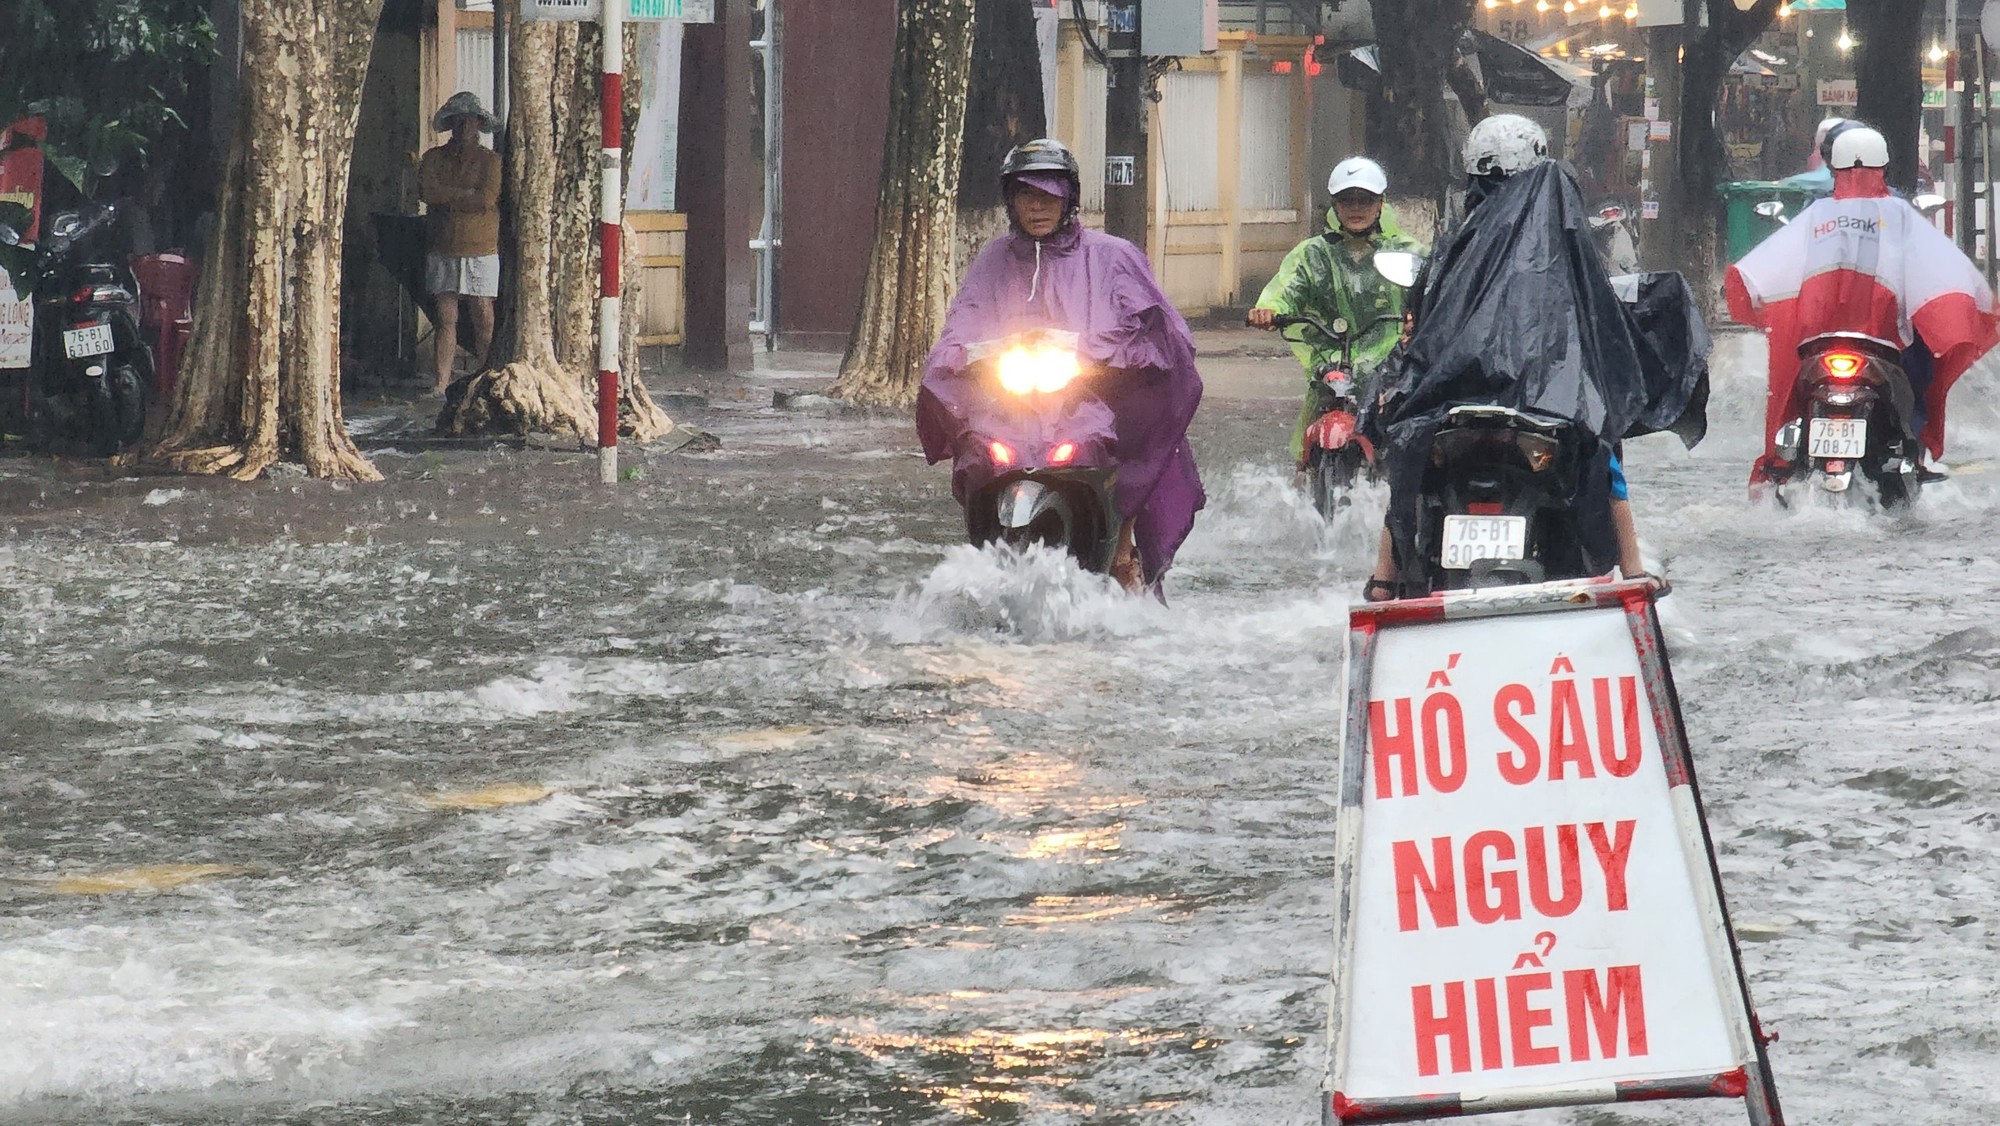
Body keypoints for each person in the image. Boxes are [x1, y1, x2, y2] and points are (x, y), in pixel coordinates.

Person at [1361, 114, 1708, 600]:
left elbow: (1425, 327)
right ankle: (1631, 570)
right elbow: (1594, 313)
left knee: (1408, 445)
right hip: (1547, 400)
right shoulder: (1561, 230)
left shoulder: (1460, 242)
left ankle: (1383, 579)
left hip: (1454, 396)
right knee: (1601, 439)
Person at [916, 138, 1205, 594]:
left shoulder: (1112, 256)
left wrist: (1089, 352)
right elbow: (962, 325)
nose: (1038, 207)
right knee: (978, 452)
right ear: (1011, 200)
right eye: (1027, 195)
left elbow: (1157, 333)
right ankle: (984, 550)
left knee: (1118, 453)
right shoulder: (994, 259)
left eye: (1049, 195)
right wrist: (963, 355)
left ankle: (1122, 549)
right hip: (1009, 406)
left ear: (1069, 198)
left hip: (1092, 402)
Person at [1729, 125, 2000, 489]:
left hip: (1818, 336)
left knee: (1789, 386)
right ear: (1884, 167)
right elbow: (1939, 271)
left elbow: (1770, 270)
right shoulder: (1899, 216)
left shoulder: (1816, 214)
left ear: (1833, 168)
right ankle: (1916, 451)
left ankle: (1785, 459)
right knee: (1921, 372)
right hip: (1881, 337)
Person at [1249, 156, 1425, 466]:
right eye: (1347, 199)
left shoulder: (1405, 251)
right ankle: (1309, 472)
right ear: (1335, 205)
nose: (1356, 207)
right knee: (1318, 414)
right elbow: (1287, 287)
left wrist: (1419, 319)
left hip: (1388, 364)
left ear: (1381, 204)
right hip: (1331, 361)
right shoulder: (1314, 254)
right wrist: (1268, 309)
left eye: (1365, 199)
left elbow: (1435, 287)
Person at [418, 91, 502, 395]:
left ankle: (487, 377)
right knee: (445, 317)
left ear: (478, 124)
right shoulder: (433, 158)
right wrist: (464, 195)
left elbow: (486, 198)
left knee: (484, 315)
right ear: (451, 124)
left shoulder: (491, 162)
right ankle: (441, 381)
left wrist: (450, 196)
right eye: (459, 121)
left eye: (470, 121)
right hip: (443, 244)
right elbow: (428, 191)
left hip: (481, 246)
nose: (464, 127)